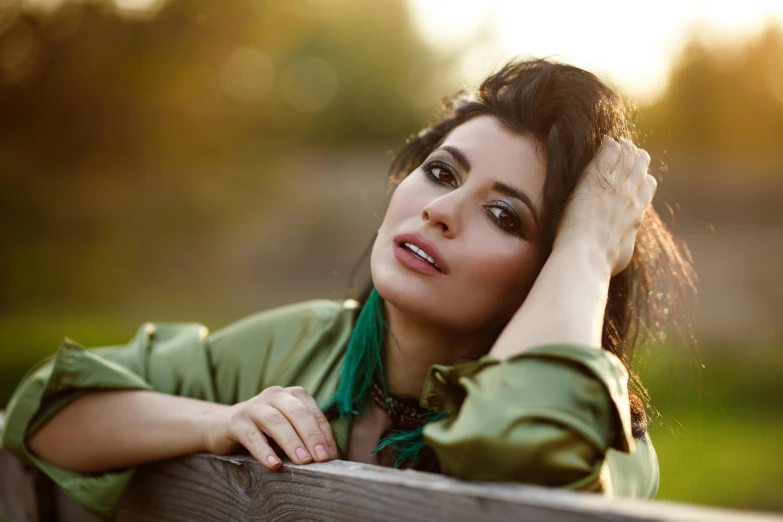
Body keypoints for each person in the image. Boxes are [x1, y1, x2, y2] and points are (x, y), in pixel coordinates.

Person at [1, 58, 693, 519]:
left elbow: (514, 451)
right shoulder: (297, 343)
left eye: (504, 215)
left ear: (552, 273)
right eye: (443, 172)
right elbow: (47, 409)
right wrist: (216, 421)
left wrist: (586, 247)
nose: (440, 211)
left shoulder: (604, 445)